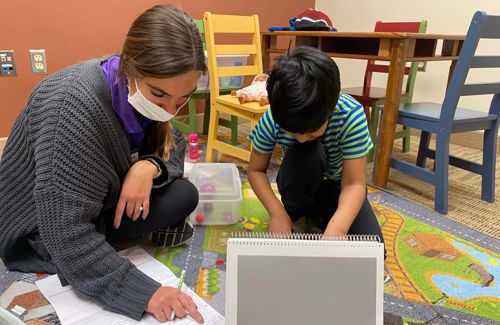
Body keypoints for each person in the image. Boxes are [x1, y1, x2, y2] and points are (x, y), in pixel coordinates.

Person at [0, 5, 205, 323]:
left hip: (99, 197)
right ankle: (101, 253)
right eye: (160, 95)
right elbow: (64, 232)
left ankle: (105, 245)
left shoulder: (135, 89)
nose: (170, 110)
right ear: (131, 69)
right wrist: (145, 292)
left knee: (184, 194)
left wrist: (147, 167)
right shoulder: (71, 108)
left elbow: (172, 146)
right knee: (76, 249)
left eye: (183, 99)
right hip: (40, 227)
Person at [248, 46, 384, 243]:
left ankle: (321, 218)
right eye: (293, 132)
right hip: (300, 183)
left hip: (338, 189)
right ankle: (298, 215)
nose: (302, 138)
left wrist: (338, 227)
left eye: (312, 132)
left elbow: (354, 183)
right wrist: (277, 213)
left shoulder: (350, 115)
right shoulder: (274, 118)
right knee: (307, 152)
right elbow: (256, 170)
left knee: (374, 248)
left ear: (332, 105)